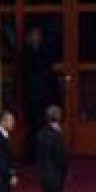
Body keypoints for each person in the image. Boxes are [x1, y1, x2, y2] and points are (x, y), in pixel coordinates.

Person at [19, 24, 60, 164]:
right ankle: (32, 155)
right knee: (34, 128)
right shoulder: (25, 54)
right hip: (32, 97)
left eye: (39, 35)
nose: (37, 38)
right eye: (34, 35)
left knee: (46, 127)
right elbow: (22, 77)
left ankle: (47, 155)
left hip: (46, 97)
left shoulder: (45, 52)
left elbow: (50, 75)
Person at [37, 104, 68, 192]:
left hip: (45, 175)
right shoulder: (55, 135)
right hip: (54, 176)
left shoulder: (41, 133)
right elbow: (60, 157)